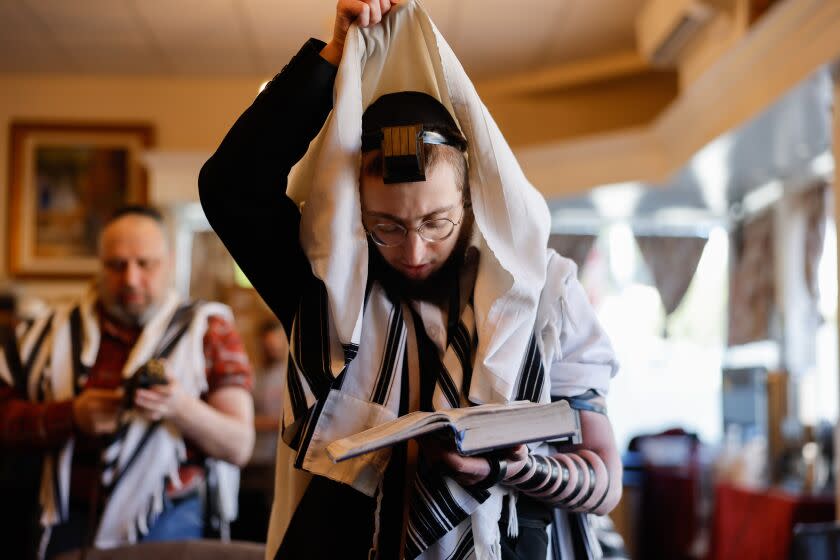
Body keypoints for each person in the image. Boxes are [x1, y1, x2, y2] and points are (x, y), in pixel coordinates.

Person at [199, 1, 622, 558]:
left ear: (471, 202)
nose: (414, 249)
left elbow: (605, 482)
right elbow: (232, 187)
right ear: (356, 217)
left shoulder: (544, 295)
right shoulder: (330, 291)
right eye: (386, 227)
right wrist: (333, 55)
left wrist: (515, 467)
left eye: (436, 221)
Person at [0, 206, 255, 558]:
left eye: (144, 263)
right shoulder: (46, 333)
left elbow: (239, 445)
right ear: (99, 264)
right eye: (116, 265)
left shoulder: (208, 330)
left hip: (169, 513)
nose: (131, 279)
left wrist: (180, 406)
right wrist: (71, 416)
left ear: (169, 261)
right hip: (67, 511)